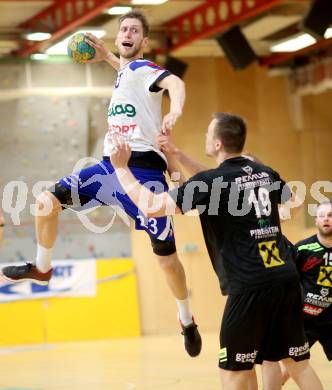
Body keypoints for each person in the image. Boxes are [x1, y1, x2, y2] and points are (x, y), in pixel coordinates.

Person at [1, 9, 201, 357]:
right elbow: (125, 70)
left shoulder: (145, 69)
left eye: (134, 30)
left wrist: (176, 110)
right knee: (46, 203)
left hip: (143, 173)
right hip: (108, 168)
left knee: (167, 260)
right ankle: (42, 267)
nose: (127, 33)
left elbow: (175, 83)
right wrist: (107, 55)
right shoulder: (127, 74)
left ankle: (186, 318)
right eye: (122, 28)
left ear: (145, 40)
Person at [109, 112, 323, 390]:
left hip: (250, 285)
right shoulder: (263, 172)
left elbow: (152, 205)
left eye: (208, 134)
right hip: (285, 278)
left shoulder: (211, 182)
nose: (205, 138)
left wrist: (121, 169)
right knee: (297, 365)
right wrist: (176, 154)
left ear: (218, 144)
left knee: (233, 369)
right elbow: (293, 204)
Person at [262, 201, 332, 389]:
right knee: (292, 365)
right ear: (316, 220)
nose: (326, 219)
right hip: (303, 321)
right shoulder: (302, 249)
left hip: (331, 319)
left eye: (330, 215)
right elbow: (287, 279)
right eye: (322, 215)